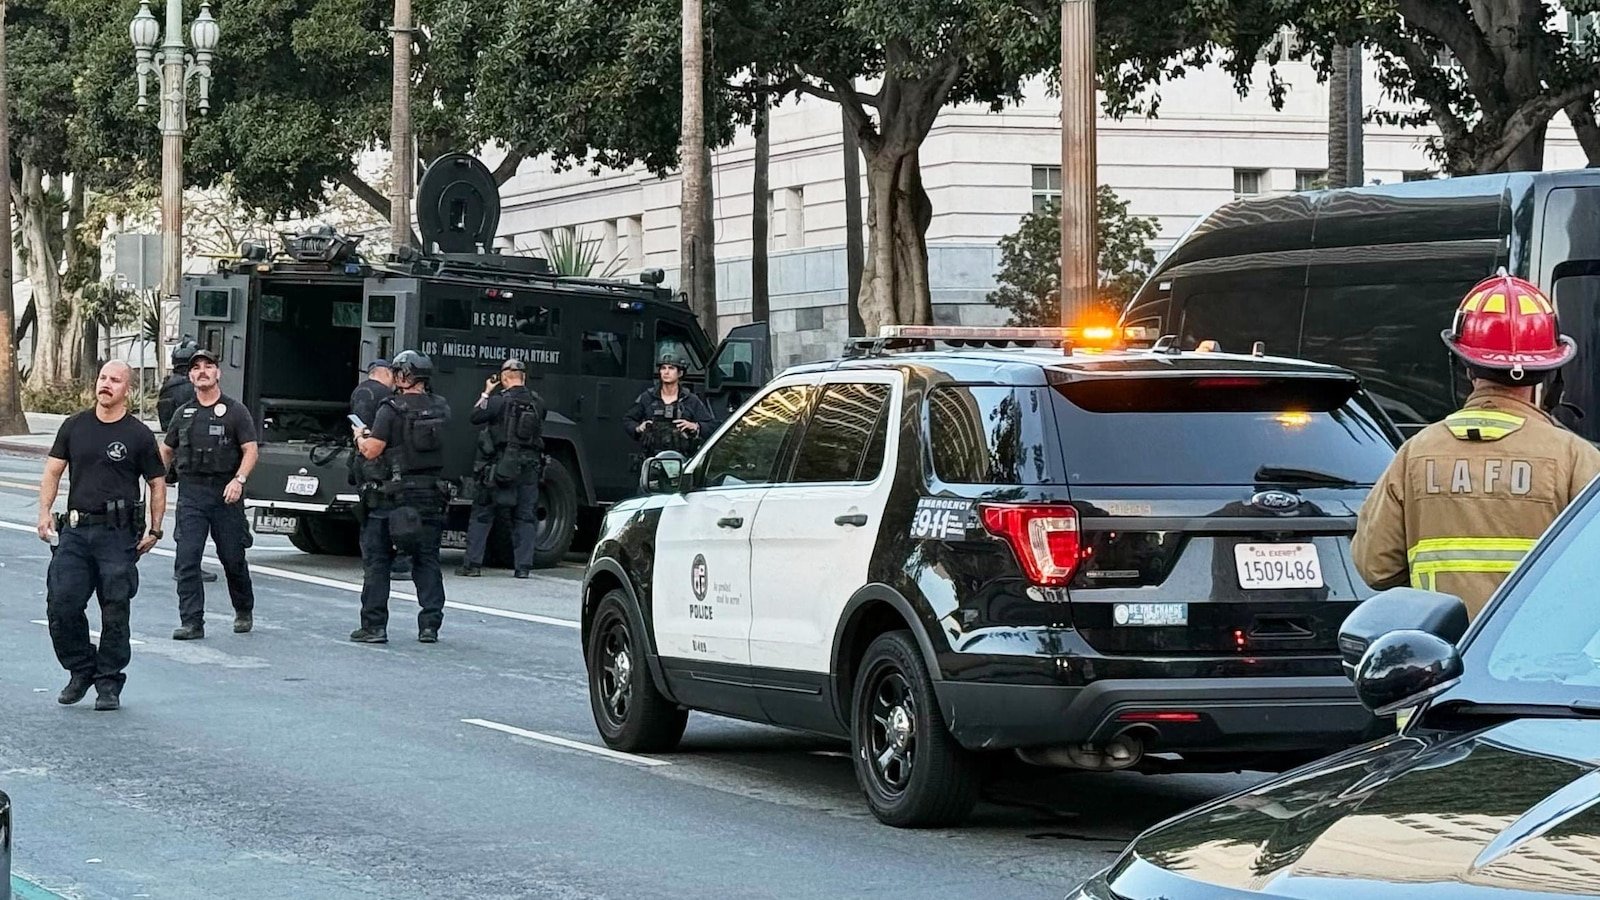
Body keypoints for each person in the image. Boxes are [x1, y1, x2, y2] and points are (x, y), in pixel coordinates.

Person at [1353, 272, 1600, 619]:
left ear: (1464, 364)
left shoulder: (1416, 454)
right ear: (1549, 371)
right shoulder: (1577, 459)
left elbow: (1375, 566)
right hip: (1540, 649)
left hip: (1442, 647)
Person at [38, 361, 167, 711]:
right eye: (103, 378)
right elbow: (53, 471)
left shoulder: (138, 435)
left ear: (128, 389)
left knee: (115, 610)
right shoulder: (74, 426)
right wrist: (44, 512)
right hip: (76, 531)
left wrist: (156, 529)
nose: (106, 384)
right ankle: (81, 669)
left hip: (117, 535)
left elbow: (157, 483)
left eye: (115, 380)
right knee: (62, 603)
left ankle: (108, 682)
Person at [349, 350, 451, 643]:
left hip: (392, 499)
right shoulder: (441, 407)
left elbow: (372, 450)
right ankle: (430, 625)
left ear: (403, 375)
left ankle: (374, 626)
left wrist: (360, 436)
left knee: (378, 562)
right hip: (430, 497)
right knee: (427, 560)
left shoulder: (390, 409)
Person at [161, 347, 259, 640]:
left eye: (208, 366)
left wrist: (239, 480)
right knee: (187, 559)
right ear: (190, 376)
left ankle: (243, 609)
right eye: (196, 368)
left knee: (232, 558)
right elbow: (167, 449)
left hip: (225, 493)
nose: (202, 371)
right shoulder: (183, 413)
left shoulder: (235, 411)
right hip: (192, 493)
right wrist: (155, 478)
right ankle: (192, 622)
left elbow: (250, 450)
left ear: (218, 372)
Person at [459, 357, 547, 578]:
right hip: (530, 465)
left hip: (500, 466)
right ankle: (523, 568)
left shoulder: (498, 402)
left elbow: (475, 416)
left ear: (504, 378)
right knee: (525, 516)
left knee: (483, 512)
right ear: (524, 378)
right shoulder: (538, 403)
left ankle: (472, 565)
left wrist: (486, 392)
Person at [348, 358, 410, 577]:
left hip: (361, 458)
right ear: (386, 374)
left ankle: (371, 562)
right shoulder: (386, 397)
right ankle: (397, 561)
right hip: (380, 460)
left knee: (368, 511)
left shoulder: (358, 392)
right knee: (391, 511)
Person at [622, 353, 716, 457]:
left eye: (671, 368)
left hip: (682, 458)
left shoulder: (690, 400)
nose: (666, 372)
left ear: (680, 373)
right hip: (652, 457)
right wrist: (639, 428)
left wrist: (695, 426)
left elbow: (711, 425)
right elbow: (628, 419)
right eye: (663, 368)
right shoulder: (648, 397)